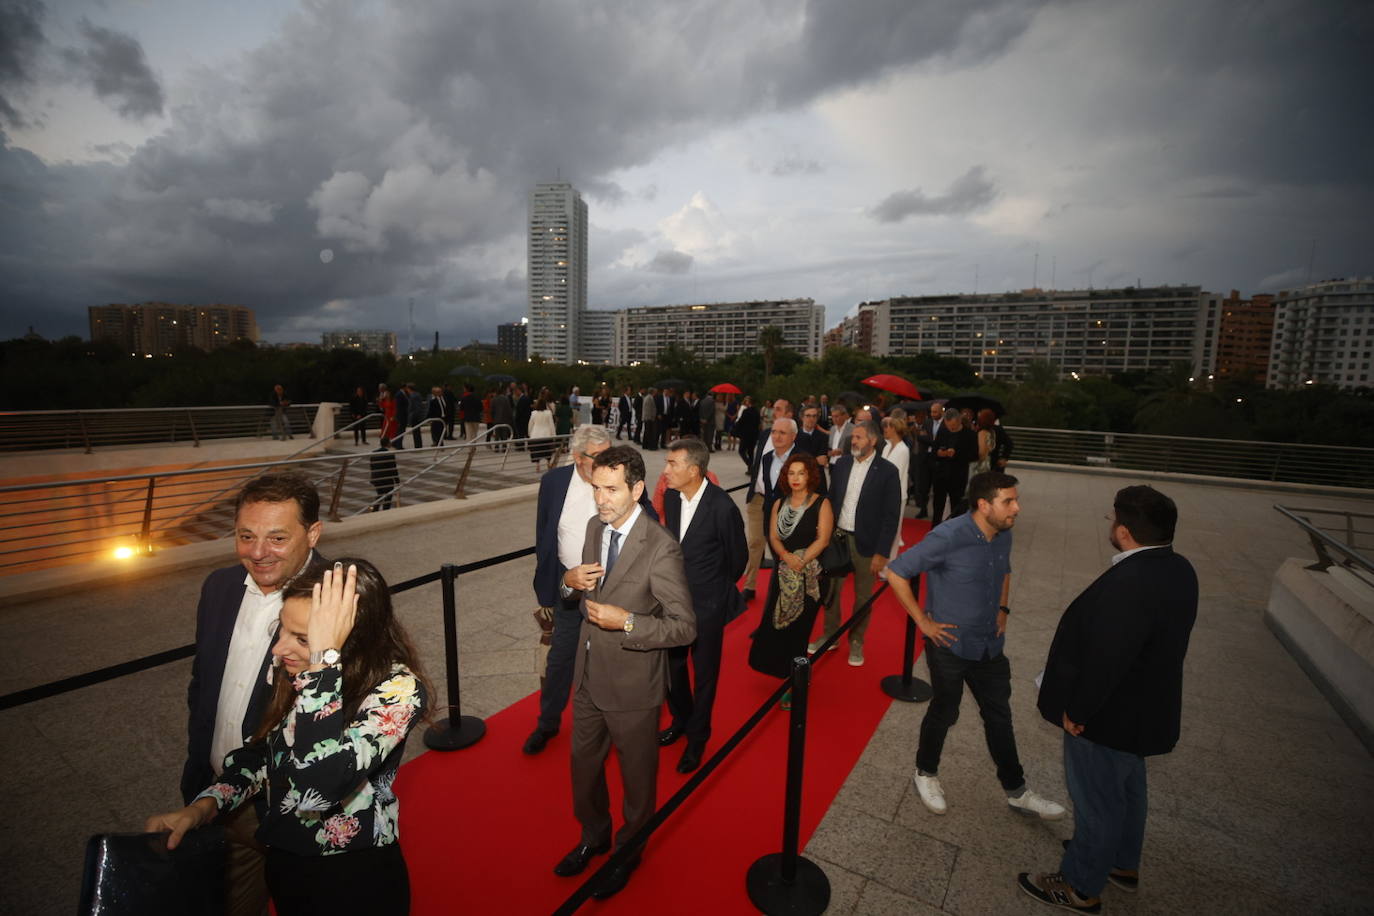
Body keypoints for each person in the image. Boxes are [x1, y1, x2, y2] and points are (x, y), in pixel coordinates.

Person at [150, 559, 428, 916]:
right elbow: (265, 755)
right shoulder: (293, 667)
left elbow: (320, 787)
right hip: (286, 860)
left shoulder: (398, 690)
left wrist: (323, 661)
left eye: (301, 638)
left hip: (353, 875)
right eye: (281, 630)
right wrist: (204, 807)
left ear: (352, 639)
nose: (279, 650)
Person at [1018, 486, 1198, 913]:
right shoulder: (1179, 568)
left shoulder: (1131, 582)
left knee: (1098, 802)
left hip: (1107, 716)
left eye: (1110, 519)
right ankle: (1121, 863)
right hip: (1145, 711)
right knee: (1129, 791)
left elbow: (1108, 658)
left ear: (1123, 531)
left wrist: (1077, 711)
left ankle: (1080, 885)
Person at [178, 472, 325, 916]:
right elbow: (202, 683)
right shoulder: (218, 587)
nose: (258, 552)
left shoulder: (338, 600)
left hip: (289, 809)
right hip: (212, 792)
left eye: (277, 537)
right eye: (246, 536)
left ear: (312, 533)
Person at [553, 446, 695, 899]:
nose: (601, 500)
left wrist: (627, 621)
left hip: (635, 687)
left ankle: (627, 853)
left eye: (611, 490)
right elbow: (585, 589)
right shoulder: (596, 528)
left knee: (637, 784)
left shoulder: (661, 547)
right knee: (584, 771)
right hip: (588, 675)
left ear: (636, 489)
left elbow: (684, 626)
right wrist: (568, 582)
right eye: (596, 488)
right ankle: (593, 837)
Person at [885, 471, 1066, 823]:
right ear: (984, 505)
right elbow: (896, 572)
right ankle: (925, 772)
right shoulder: (948, 536)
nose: (1017, 507)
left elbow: (1005, 571)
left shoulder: (1002, 534)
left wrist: (1003, 608)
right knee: (945, 711)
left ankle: (1017, 791)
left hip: (990, 647)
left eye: (1015, 499)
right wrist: (924, 622)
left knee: (999, 716)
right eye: (1009, 501)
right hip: (950, 646)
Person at [524, 425, 647, 755]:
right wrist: (549, 588)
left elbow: (645, 527)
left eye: (610, 452)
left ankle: (614, 728)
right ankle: (547, 723)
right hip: (570, 587)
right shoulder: (554, 483)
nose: (609, 460)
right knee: (561, 659)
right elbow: (544, 534)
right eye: (599, 455)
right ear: (578, 457)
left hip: (614, 589)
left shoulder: (621, 479)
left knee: (611, 661)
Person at [657, 438, 746, 773]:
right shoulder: (671, 497)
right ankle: (681, 718)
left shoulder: (722, 507)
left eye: (672, 464)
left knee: (705, 675)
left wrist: (713, 592)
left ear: (693, 470)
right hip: (673, 605)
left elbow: (738, 560)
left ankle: (697, 739)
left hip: (708, 606)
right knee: (672, 669)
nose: (665, 471)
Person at [813, 420, 901, 667]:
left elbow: (891, 516)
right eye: (853, 437)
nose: (853, 441)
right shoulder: (841, 464)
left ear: (872, 441)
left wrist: (882, 553)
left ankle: (856, 641)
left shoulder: (887, 471)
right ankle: (830, 635)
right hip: (838, 538)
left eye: (859, 437)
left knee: (863, 596)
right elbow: (831, 500)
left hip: (867, 543)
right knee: (831, 590)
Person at [748, 453, 833, 703]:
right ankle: (785, 673)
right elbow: (773, 536)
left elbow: (824, 539)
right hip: (783, 573)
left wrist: (802, 560)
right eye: (791, 473)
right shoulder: (779, 503)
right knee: (778, 625)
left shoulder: (821, 503)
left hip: (810, 578)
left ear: (810, 476)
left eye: (801, 473)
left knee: (800, 630)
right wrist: (786, 556)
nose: (795, 478)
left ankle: (797, 682)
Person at [742, 417, 805, 604]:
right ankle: (749, 586)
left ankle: (784, 591)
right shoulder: (766, 451)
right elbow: (756, 468)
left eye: (782, 432)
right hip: (758, 500)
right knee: (754, 542)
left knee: (781, 549)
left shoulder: (801, 459)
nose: (776, 435)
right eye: (774, 432)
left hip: (785, 509)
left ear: (793, 436)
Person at [930, 409, 976, 524]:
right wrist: (940, 453)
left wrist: (956, 453)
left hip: (958, 476)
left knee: (957, 506)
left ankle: (956, 532)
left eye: (954, 426)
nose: (951, 429)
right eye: (948, 426)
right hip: (941, 475)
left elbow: (975, 455)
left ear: (959, 421)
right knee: (937, 505)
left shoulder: (969, 435)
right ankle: (935, 529)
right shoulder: (943, 432)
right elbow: (934, 451)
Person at [881, 414, 912, 560]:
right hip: (882, 493)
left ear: (895, 429)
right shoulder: (886, 446)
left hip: (896, 495)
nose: (885, 429)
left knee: (893, 530)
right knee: (882, 529)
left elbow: (896, 475)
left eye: (888, 426)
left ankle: (888, 565)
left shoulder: (903, 450)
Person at [528, 396, 557, 471]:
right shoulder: (548, 413)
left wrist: (530, 433)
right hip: (546, 434)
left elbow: (530, 424)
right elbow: (551, 424)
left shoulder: (533, 413)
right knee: (547, 450)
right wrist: (554, 435)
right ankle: (548, 463)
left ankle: (537, 465)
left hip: (535, 434)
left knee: (536, 451)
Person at [369, 440, 399, 510]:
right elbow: (393, 468)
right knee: (388, 496)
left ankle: (375, 509)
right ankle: (385, 510)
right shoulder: (390, 454)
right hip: (386, 479)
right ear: (388, 444)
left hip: (376, 478)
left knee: (380, 494)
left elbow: (372, 466)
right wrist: (397, 480)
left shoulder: (374, 453)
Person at [733, 395, 760, 468]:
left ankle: (750, 465)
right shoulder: (757, 412)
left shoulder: (746, 411)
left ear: (749, 402)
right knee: (750, 452)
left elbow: (741, 422)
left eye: (747, 401)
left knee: (741, 451)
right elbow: (758, 423)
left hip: (746, 434)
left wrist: (736, 427)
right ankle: (750, 468)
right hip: (754, 434)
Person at [972, 408, 996, 476]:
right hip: (988, 463)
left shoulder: (982, 433)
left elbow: (982, 453)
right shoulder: (992, 432)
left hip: (980, 466)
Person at [405, 382, 426, 449]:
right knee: (417, 431)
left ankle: (418, 445)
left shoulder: (413, 396)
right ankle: (418, 445)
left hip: (415, 416)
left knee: (416, 432)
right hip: (416, 415)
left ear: (409, 389)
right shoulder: (417, 394)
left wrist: (413, 416)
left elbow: (415, 407)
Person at [639, 387, 658, 451]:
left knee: (647, 432)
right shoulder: (650, 398)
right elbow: (650, 409)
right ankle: (649, 446)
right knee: (649, 432)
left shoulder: (647, 397)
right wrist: (652, 417)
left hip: (647, 417)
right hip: (648, 418)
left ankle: (645, 445)